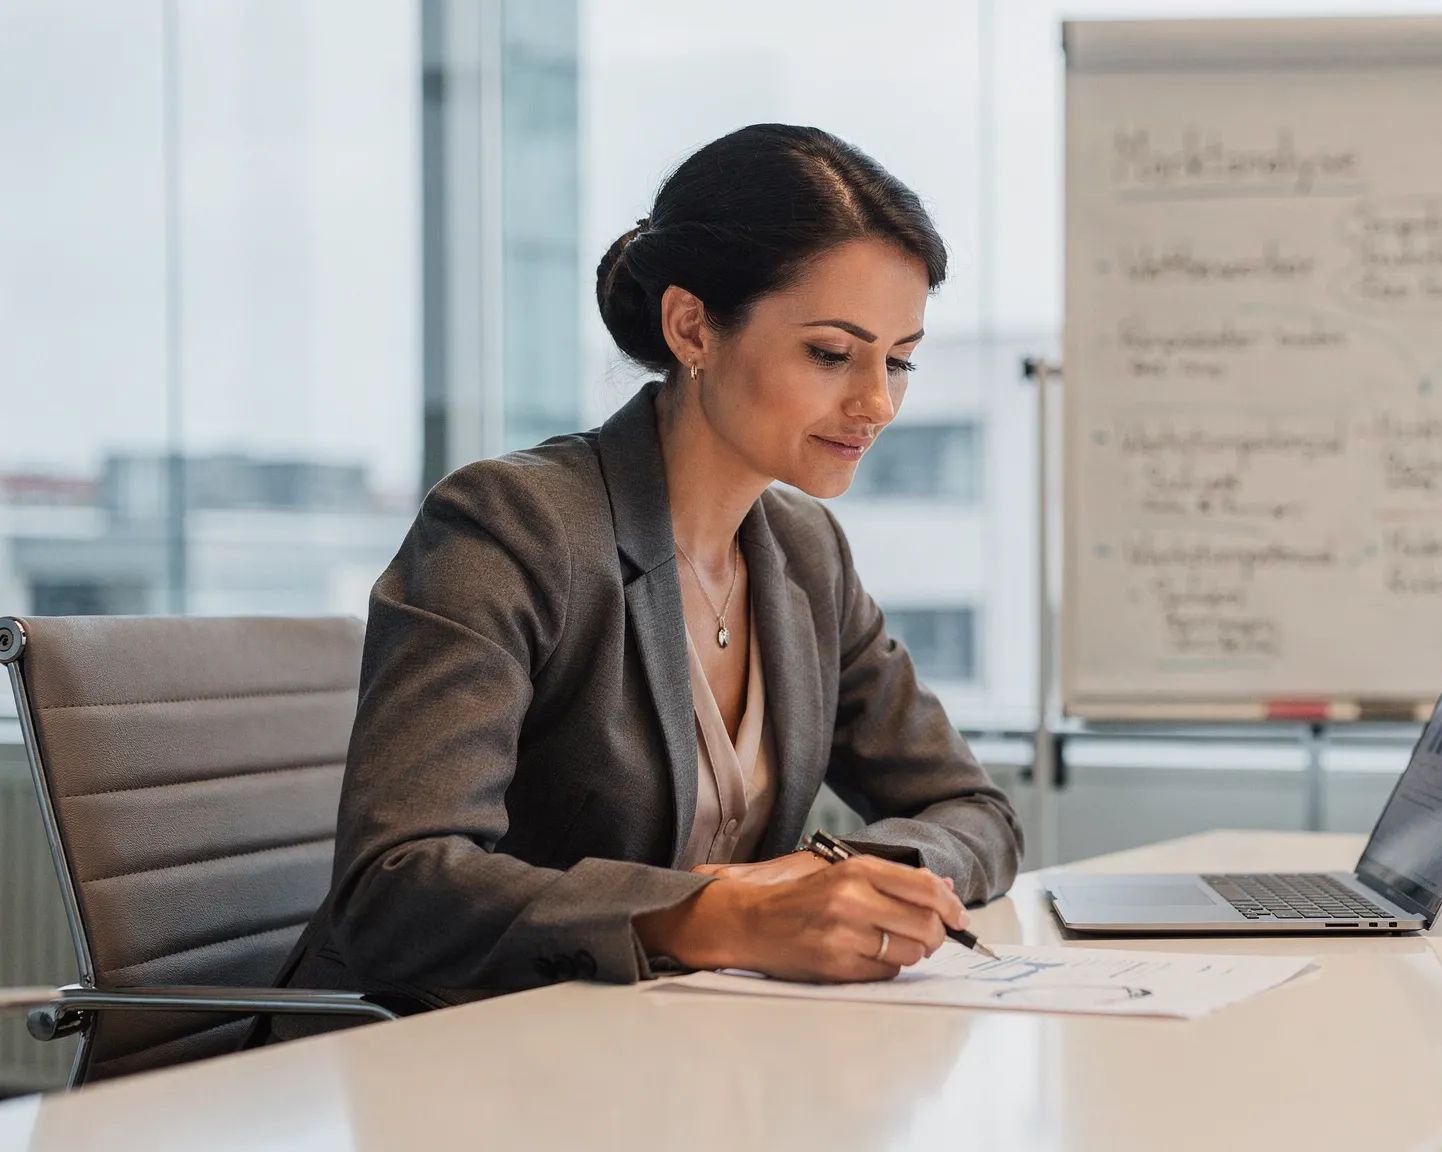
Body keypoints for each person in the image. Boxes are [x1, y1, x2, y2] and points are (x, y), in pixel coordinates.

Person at [273, 124, 1021, 1021]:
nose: (878, 404)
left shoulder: (805, 554)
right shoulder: (512, 526)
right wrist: (719, 913)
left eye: (898, 360)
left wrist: (851, 878)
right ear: (692, 325)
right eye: (831, 353)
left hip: (670, 1057)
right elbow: (395, 889)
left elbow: (973, 809)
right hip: (445, 1054)